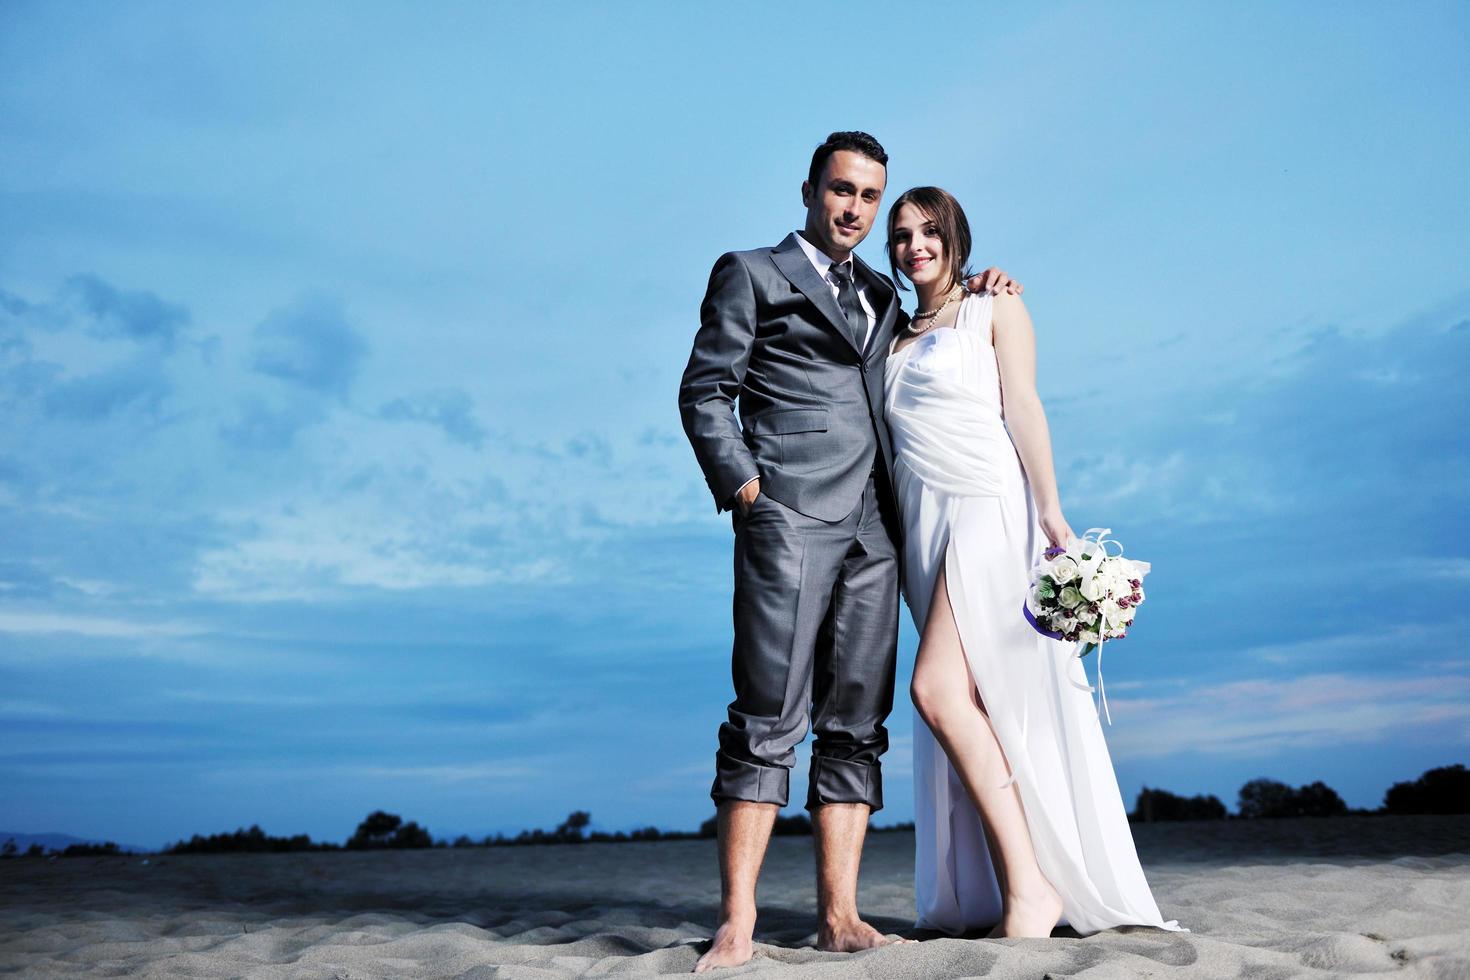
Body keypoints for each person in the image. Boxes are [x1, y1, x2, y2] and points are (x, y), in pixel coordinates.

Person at [677, 133, 1020, 972]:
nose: (856, 210)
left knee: (858, 723)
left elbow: (931, 335)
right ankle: (738, 923)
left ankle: (839, 918)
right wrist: (750, 494)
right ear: (809, 189)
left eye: (870, 197)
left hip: (879, 531)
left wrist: (984, 285)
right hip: (788, 519)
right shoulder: (751, 272)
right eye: (842, 190)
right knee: (767, 716)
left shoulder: (881, 291)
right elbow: (705, 389)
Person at [882, 186, 1184, 938]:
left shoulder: (997, 308)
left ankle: (1031, 887)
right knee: (975, 702)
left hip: (987, 507)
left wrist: (1050, 510)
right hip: (924, 528)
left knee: (936, 689)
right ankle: (1012, 881)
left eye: (929, 231)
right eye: (901, 235)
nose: (914, 245)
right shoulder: (887, 333)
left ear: (957, 237)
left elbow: (1024, 404)